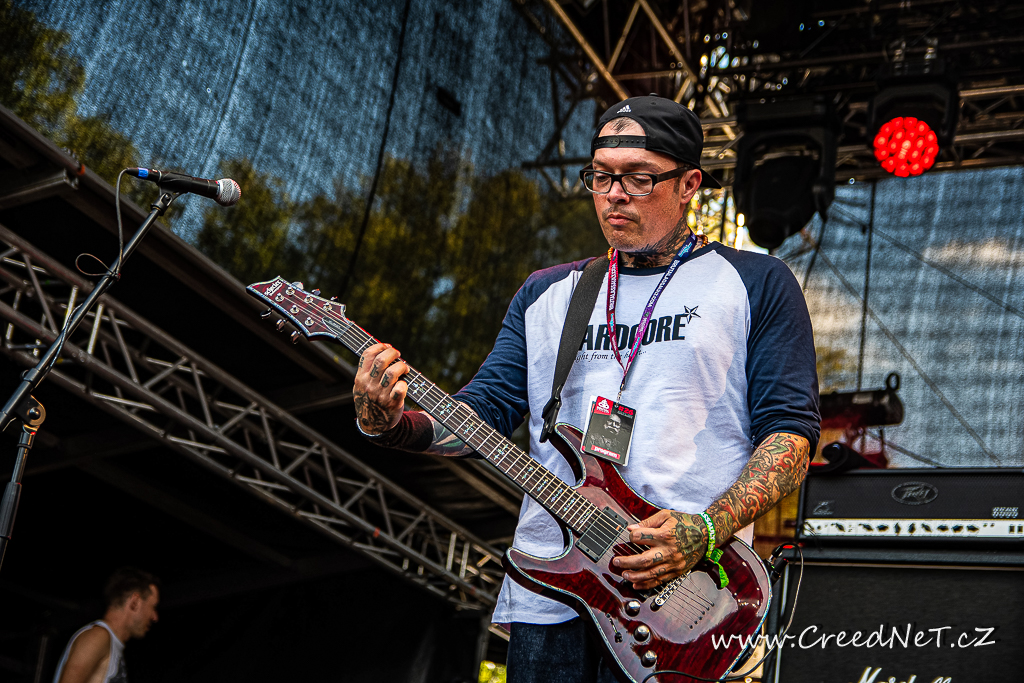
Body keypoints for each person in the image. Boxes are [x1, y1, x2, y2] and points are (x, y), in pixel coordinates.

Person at [353, 95, 820, 682]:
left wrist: (706, 529)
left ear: (689, 184)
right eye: (601, 177)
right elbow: (483, 413)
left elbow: (790, 434)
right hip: (552, 594)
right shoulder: (546, 293)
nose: (614, 194)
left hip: (685, 599)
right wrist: (392, 425)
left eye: (639, 178)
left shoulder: (756, 282)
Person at [53, 568, 160, 683]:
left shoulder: (111, 644)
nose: (155, 617)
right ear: (135, 602)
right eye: (153, 607)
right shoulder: (98, 636)